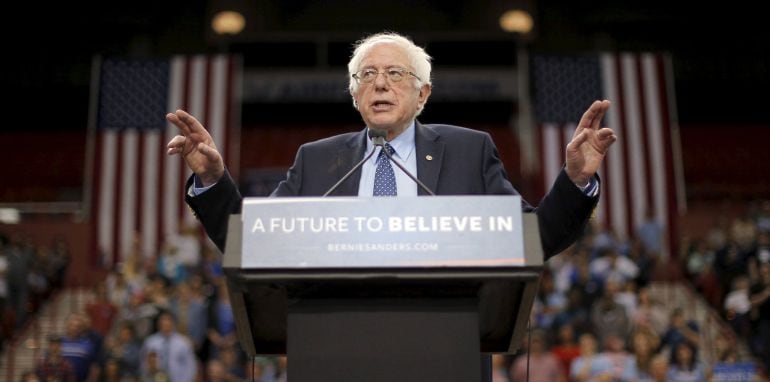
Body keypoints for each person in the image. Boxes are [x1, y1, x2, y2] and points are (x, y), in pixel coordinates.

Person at [165, 32, 616, 260]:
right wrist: (212, 179)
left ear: (423, 95)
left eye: (396, 74)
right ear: (355, 94)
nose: (380, 83)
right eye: (367, 76)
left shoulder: (468, 152)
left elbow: (535, 240)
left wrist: (577, 179)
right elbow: (253, 245)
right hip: (333, 343)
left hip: (446, 341)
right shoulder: (318, 161)